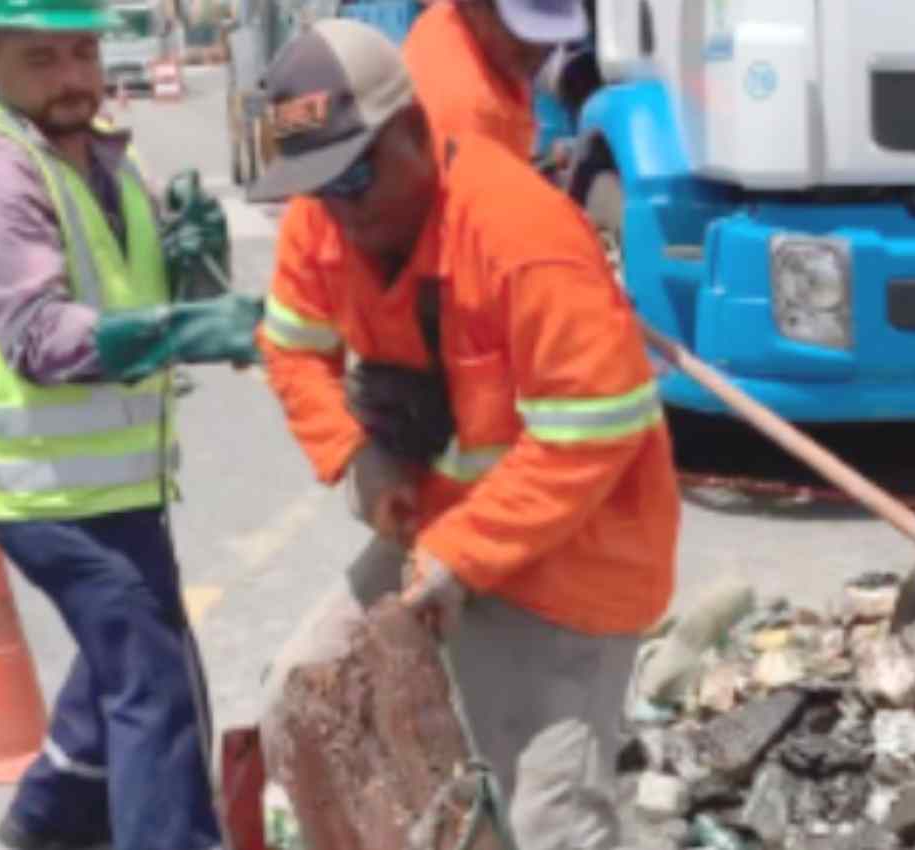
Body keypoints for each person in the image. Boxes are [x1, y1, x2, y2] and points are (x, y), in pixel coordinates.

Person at [253, 20, 679, 850]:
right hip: (446, 531)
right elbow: (291, 349)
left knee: (549, 823)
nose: (342, 208)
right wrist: (356, 457)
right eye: (319, 186)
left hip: (577, 558)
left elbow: (596, 431)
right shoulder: (326, 221)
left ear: (415, 130)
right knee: (300, 705)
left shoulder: (522, 238)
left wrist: (464, 552)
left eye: (358, 175)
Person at [0, 0, 260, 847]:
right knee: (156, 685)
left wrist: (183, 265)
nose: (71, 77)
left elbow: (123, 292)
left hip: (105, 483)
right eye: (42, 59)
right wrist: (185, 331)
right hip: (53, 496)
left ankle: (48, 817)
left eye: (82, 52)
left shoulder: (95, 151)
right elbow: (39, 337)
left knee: (124, 658)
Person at [401, 0, 587, 160]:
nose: (540, 52)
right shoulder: (470, 111)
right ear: (474, 6)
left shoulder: (454, 23)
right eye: (524, 36)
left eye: (551, 42)